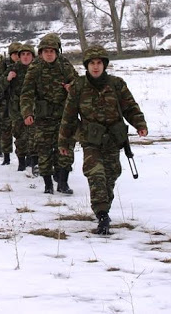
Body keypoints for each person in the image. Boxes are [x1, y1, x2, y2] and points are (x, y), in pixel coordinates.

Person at [59, 45, 148, 235]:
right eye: (92, 63)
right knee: (95, 175)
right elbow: (69, 116)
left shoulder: (117, 84)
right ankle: (102, 215)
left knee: (111, 176)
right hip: (91, 140)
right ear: (86, 66)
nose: (96, 67)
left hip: (113, 140)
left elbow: (130, 107)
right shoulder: (78, 86)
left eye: (99, 63)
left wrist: (139, 124)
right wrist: (64, 142)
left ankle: (104, 207)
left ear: (105, 65)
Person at [20, 33, 78, 195]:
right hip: (43, 117)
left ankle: (63, 182)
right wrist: (27, 113)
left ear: (57, 51)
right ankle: (48, 185)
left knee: (65, 148)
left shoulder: (65, 66)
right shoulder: (35, 68)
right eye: (46, 51)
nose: (49, 54)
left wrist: (71, 87)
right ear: (41, 52)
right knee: (44, 151)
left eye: (52, 50)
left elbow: (79, 85)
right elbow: (26, 94)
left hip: (64, 116)